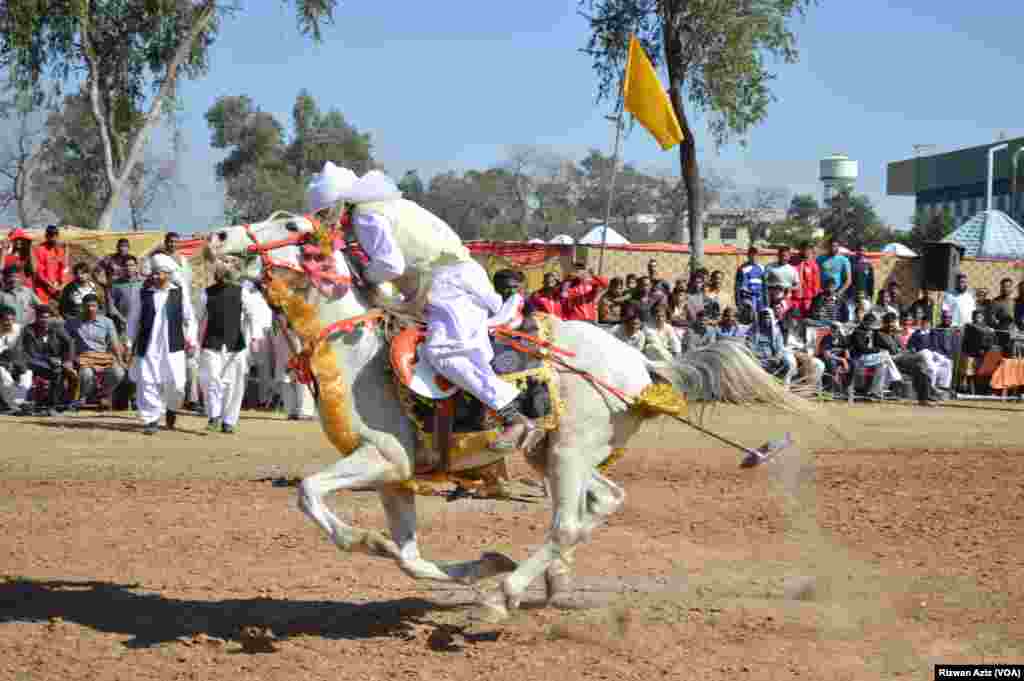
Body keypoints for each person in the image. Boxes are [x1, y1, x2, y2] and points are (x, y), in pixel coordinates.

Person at [306, 162, 533, 450]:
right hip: (458, 278)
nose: (329, 223)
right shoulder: (392, 205)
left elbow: (390, 265)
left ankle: (513, 417)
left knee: (444, 354)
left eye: (326, 215)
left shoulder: (365, 217)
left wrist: (364, 275)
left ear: (338, 206)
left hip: (446, 285)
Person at [127, 253, 197, 435]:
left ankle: (172, 408)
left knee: (177, 384)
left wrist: (191, 338)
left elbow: (190, 318)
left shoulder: (179, 292)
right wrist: (129, 341)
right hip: (148, 345)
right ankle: (151, 419)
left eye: (158, 273)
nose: (155, 276)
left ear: (167, 274)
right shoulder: (142, 293)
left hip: (173, 346)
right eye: (154, 273)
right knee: (147, 382)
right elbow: (133, 320)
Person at [198, 262, 254, 434]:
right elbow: (197, 317)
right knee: (212, 379)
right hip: (212, 343)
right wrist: (192, 340)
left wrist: (254, 336)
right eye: (219, 271)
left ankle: (229, 420)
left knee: (234, 384)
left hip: (235, 345)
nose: (222, 273)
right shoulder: (206, 293)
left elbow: (252, 314)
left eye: (225, 270)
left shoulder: (241, 292)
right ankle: (214, 416)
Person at [65, 293, 126, 410]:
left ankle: (103, 394)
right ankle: (82, 398)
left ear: (98, 307)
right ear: (82, 306)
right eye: (87, 306)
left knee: (119, 373)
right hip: (83, 358)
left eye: (93, 306)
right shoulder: (72, 322)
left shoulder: (107, 322)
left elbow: (114, 343)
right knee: (86, 374)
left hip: (103, 357)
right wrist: (68, 360)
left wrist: (120, 360)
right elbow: (69, 343)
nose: (90, 309)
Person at [18, 304, 75, 415]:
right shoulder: (28, 330)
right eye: (42, 317)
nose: (44, 320)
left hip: (53, 362)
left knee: (65, 371)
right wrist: (50, 359)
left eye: (47, 317)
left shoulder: (56, 328)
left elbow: (70, 342)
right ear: (36, 317)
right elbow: (31, 352)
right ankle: (51, 406)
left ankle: (63, 403)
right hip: (33, 361)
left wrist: (68, 360)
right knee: (57, 372)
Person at [848, 312, 901, 400]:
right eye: (870, 324)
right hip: (860, 358)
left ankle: (875, 391)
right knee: (885, 355)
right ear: (865, 322)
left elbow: (884, 330)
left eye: (872, 324)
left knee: (882, 365)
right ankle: (896, 378)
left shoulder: (871, 331)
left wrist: (895, 331)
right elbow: (862, 349)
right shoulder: (858, 332)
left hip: (868, 357)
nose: (871, 326)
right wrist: (877, 350)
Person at [0, 304, 31, 413]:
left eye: (12, 319)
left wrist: (15, 363)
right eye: (6, 320)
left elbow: (21, 350)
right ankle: (13, 406)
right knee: (3, 374)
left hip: (15, 361)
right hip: (2, 364)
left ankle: (20, 403)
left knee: (27, 372)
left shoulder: (19, 330)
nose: (9, 322)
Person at [32, 224, 69, 306]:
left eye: (55, 235)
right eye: (50, 235)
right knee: (44, 310)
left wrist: (62, 284)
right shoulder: (39, 249)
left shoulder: (60, 249)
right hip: (43, 287)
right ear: (46, 236)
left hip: (58, 287)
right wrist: (50, 284)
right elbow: (39, 271)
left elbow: (64, 267)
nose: (53, 238)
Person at [734, 246, 766, 323]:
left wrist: (766, 300)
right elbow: (737, 286)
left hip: (759, 297)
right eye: (751, 255)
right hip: (748, 297)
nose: (754, 257)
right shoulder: (742, 268)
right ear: (748, 256)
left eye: (756, 255)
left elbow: (765, 286)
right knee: (749, 317)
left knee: (761, 317)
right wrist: (738, 301)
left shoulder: (762, 268)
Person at [790, 241, 821, 318]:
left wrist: (814, 298)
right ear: (800, 249)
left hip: (808, 299)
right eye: (804, 249)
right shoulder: (792, 262)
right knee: (794, 319)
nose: (806, 251)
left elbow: (816, 283)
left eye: (808, 250)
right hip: (794, 298)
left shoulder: (813, 265)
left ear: (811, 251)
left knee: (806, 320)